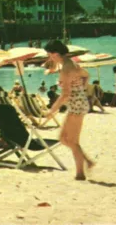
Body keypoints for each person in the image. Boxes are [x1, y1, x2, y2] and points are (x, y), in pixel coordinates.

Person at [41, 40, 95, 181]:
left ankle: (83, 169)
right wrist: (81, 88)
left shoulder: (66, 68)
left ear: (56, 54)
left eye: (50, 55)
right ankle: (85, 166)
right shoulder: (70, 63)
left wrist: (52, 110)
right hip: (78, 103)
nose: (49, 57)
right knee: (66, 139)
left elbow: (65, 94)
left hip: (76, 104)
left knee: (69, 140)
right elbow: (86, 75)